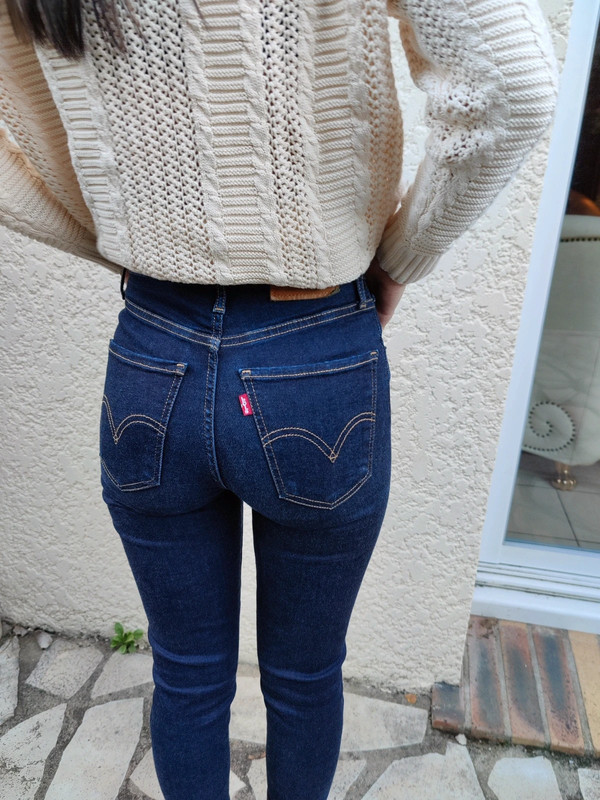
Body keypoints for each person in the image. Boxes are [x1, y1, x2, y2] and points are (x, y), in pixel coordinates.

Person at [0, 1, 558, 798]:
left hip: (152, 355)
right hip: (316, 355)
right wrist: (402, 255)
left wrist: (123, 243)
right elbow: (515, 85)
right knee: (305, 677)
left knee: (186, 674)